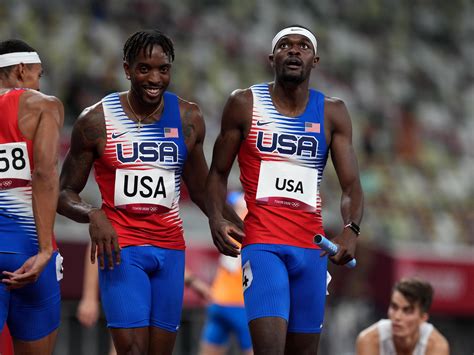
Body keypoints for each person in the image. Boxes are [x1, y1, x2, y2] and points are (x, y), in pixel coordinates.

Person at [58, 29, 241, 355]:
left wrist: (227, 222)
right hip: (122, 249)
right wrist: (93, 214)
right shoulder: (96, 121)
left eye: (163, 69)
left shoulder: (188, 118)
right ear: (127, 69)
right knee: (131, 350)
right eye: (144, 69)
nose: (155, 78)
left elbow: (200, 189)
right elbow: (64, 193)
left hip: (170, 249)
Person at [206, 24, 364, 354]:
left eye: (303, 46)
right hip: (263, 244)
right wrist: (217, 217)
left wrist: (351, 229)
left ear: (315, 60)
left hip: (311, 249)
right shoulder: (244, 104)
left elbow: (351, 186)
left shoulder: (333, 112)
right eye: (285, 45)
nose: (294, 50)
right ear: (271, 58)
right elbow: (217, 174)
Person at [0, 39, 64, 354]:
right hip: (27, 252)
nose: (39, 82)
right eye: (38, 74)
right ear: (22, 69)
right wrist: (44, 250)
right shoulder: (43, 105)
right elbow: (45, 173)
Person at [77, 245, 212, 355]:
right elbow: (97, 241)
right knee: (128, 345)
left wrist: (193, 282)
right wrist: (89, 297)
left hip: (154, 273)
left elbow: (160, 254)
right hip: (126, 266)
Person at [199, 191, 253, 355]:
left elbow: (224, 198)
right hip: (242, 304)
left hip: (219, 299)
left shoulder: (231, 217)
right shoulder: (255, 221)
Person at [356, 278, 450, 355]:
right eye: (394, 307)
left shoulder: (437, 346)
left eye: (407, 311)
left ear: (423, 318)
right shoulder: (369, 340)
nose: (397, 317)